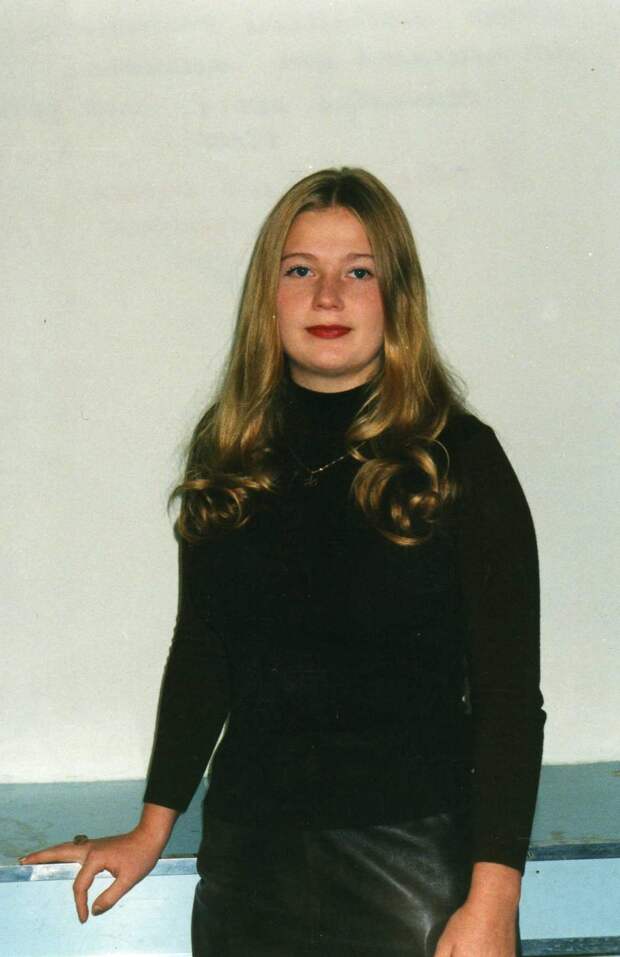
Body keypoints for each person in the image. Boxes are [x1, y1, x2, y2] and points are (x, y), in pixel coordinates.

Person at [19, 167, 546, 957]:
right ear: (267, 296)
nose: (327, 297)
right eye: (300, 270)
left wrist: (494, 901)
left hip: (414, 873)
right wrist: (152, 826)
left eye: (358, 272)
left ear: (397, 297)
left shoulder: (461, 458)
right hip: (250, 868)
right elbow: (204, 652)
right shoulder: (230, 452)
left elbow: (509, 698)